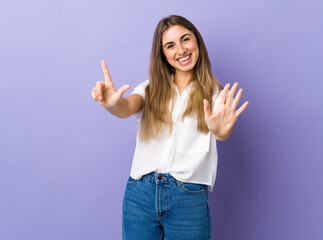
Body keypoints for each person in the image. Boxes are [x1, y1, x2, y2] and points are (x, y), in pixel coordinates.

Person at [91, 15, 249, 240]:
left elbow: (223, 132)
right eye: (170, 45)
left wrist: (220, 129)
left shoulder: (217, 96)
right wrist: (112, 103)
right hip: (140, 194)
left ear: (197, 43)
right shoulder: (149, 89)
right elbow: (125, 107)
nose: (181, 50)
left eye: (186, 39)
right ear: (163, 54)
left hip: (188, 198)